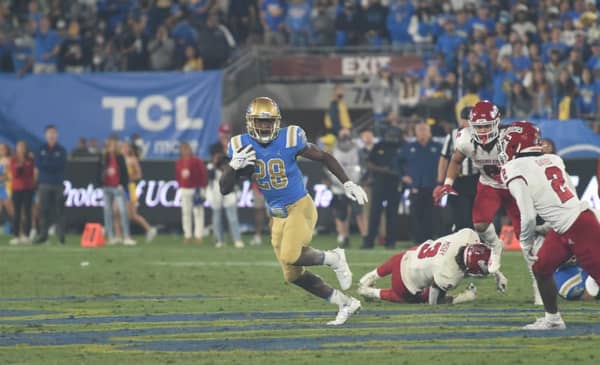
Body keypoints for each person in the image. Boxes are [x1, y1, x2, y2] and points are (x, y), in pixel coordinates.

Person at [220, 97, 367, 325]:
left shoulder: (290, 138)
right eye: (260, 122)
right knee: (293, 275)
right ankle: (345, 303)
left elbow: (324, 156)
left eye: (269, 123)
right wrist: (232, 168)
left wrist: (347, 182)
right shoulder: (241, 146)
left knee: (290, 254)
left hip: (300, 206)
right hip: (276, 215)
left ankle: (334, 258)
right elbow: (224, 189)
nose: (265, 127)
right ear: (250, 122)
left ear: (277, 123)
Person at [499, 121, 600, 329]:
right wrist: (550, 225)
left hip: (578, 229)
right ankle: (553, 319)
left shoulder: (513, 168)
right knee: (541, 269)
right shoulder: (553, 158)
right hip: (569, 223)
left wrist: (526, 244)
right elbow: (569, 196)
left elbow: (527, 215)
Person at [358, 228, 507, 304]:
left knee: (404, 258)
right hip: (404, 284)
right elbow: (433, 302)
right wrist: (465, 297)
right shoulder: (449, 274)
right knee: (416, 298)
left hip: (408, 255)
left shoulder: (468, 236)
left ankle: (371, 276)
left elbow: (479, 255)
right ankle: (370, 292)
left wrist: (497, 273)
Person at [437, 107, 479, 232]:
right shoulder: (452, 135)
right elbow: (444, 158)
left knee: (476, 216)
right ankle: (461, 244)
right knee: (460, 217)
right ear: (461, 120)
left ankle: (476, 245)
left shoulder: (479, 133)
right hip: (458, 180)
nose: (468, 122)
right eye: (467, 119)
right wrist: (440, 182)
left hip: (475, 179)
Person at [361, 126, 403, 249]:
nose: (392, 137)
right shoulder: (379, 145)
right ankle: (369, 242)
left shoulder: (402, 146)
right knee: (374, 212)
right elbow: (369, 163)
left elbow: (407, 164)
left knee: (392, 214)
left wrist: (399, 173)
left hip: (395, 183)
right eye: (390, 135)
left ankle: (391, 242)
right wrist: (382, 170)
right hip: (379, 182)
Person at [402, 123, 442, 243]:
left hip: (433, 187)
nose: (422, 132)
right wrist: (403, 176)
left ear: (429, 132)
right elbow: (397, 162)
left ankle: (431, 240)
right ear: (415, 132)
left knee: (432, 215)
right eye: (419, 130)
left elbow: (446, 162)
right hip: (416, 187)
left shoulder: (438, 147)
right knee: (416, 214)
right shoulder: (409, 147)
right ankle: (418, 241)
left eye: (424, 129)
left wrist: (441, 180)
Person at [328, 129, 367, 248]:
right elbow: (327, 166)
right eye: (342, 134)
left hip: (355, 184)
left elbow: (364, 164)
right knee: (341, 215)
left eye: (346, 135)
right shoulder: (333, 149)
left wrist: (359, 180)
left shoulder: (357, 149)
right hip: (339, 187)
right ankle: (344, 237)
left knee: (359, 213)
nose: (344, 137)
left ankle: (365, 237)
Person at [97, 138, 135, 245]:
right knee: (108, 212)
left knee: (123, 212)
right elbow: (99, 171)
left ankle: (126, 236)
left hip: (117, 187)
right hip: (107, 187)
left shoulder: (120, 158)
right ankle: (111, 236)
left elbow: (124, 173)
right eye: (110, 145)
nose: (112, 147)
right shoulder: (104, 157)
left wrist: (122, 185)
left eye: (114, 145)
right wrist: (101, 183)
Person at [118, 142, 157, 243]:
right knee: (119, 212)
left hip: (129, 188)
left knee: (131, 214)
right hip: (120, 187)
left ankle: (148, 229)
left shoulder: (132, 159)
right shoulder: (118, 159)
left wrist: (128, 178)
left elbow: (139, 175)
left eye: (126, 147)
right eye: (123, 147)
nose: (125, 149)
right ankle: (120, 235)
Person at [33, 125, 67, 244]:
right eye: (49, 133)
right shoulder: (40, 149)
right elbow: (39, 165)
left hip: (57, 184)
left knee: (59, 210)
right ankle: (43, 235)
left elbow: (60, 165)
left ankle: (61, 234)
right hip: (44, 184)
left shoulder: (61, 150)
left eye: (54, 133)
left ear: (57, 135)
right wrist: (50, 164)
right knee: (44, 210)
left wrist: (47, 163)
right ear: (46, 135)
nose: (52, 135)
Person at [208, 153, 244, 248]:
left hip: (230, 193)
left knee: (232, 218)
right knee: (217, 218)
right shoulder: (214, 170)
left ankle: (237, 239)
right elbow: (209, 176)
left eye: (226, 164)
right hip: (216, 193)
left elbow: (238, 182)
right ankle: (219, 240)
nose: (224, 166)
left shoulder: (232, 171)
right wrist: (213, 163)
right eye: (222, 164)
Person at [175, 142, 208, 244]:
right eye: (183, 149)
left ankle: (198, 235)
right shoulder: (179, 162)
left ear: (190, 150)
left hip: (196, 189)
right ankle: (187, 235)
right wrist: (180, 186)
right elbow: (178, 176)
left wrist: (202, 188)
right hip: (185, 189)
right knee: (186, 213)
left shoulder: (197, 161)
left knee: (198, 213)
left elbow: (203, 174)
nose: (185, 151)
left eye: (187, 149)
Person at [9, 141, 35, 245]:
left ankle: (26, 235)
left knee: (27, 212)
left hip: (28, 188)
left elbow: (30, 172)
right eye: (19, 147)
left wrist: (23, 164)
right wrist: (20, 165)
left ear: (26, 148)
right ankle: (16, 235)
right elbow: (15, 174)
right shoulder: (13, 160)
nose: (21, 149)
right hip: (16, 189)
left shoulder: (30, 159)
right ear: (16, 148)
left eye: (23, 147)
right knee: (17, 212)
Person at [0, 144, 14, 234]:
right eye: (0, 149)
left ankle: (19, 227)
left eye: (3, 148)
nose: (1, 150)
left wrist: (4, 178)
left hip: (8, 188)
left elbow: (10, 175)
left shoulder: (10, 160)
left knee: (11, 210)